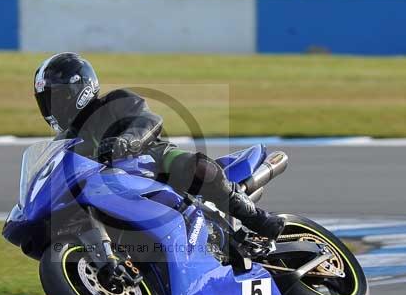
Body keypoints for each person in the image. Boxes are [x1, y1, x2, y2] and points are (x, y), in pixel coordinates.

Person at [33, 52, 284, 239]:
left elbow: (148, 121)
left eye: (57, 97)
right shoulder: (65, 140)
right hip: (108, 188)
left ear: (80, 90)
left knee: (198, 168)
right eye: (46, 101)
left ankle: (255, 217)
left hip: (153, 162)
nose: (53, 107)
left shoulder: (117, 101)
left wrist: (128, 141)